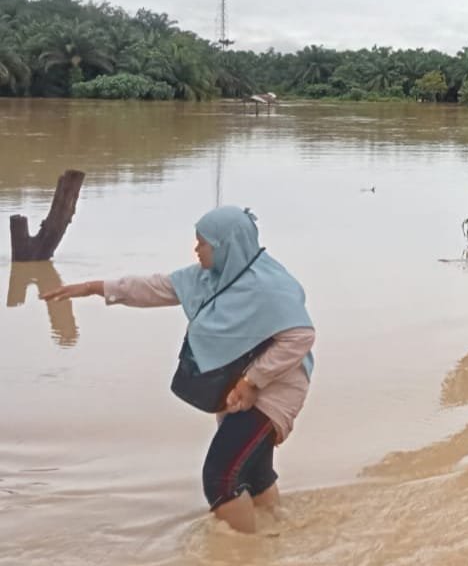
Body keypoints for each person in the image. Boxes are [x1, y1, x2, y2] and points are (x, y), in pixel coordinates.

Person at [42, 206, 315, 534]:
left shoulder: (270, 286)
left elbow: (300, 336)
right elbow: (152, 287)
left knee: (220, 479)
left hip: (276, 389)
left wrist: (252, 380)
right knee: (254, 474)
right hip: (236, 383)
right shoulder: (209, 278)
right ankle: (277, 538)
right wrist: (90, 288)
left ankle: (246, 550)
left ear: (226, 246)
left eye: (203, 243)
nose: (196, 249)